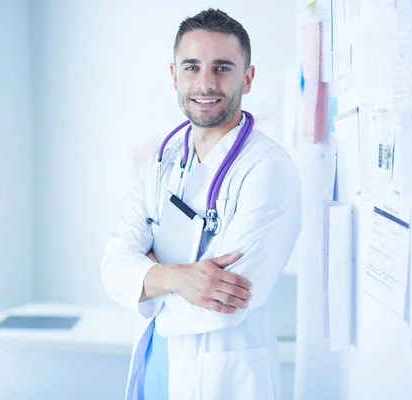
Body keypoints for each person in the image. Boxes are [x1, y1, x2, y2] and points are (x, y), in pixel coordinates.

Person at [101, 8, 301, 400]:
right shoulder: (162, 162)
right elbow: (113, 268)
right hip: (154, 364)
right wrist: (178, 278)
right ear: (174, 75)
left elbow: (227, 301)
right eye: (192, 67)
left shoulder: (269, 170)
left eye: (222, 68)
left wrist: (147, 278)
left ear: (248, 77)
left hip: (223, 379)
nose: (205, 83)